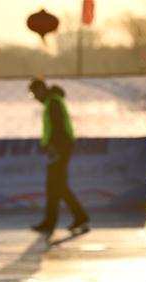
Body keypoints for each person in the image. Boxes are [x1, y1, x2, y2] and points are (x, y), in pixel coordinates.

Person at [28, 77, 89, 235]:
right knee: (56, 186)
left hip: (59, 149)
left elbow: (57, 127)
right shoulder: (52, 101)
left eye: (34, 93)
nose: (35, 98)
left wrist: (53, 149)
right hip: (60, 148)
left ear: (40, 89)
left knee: (56, 185)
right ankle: (64, 218)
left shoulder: (53, 102)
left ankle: (67, 218)